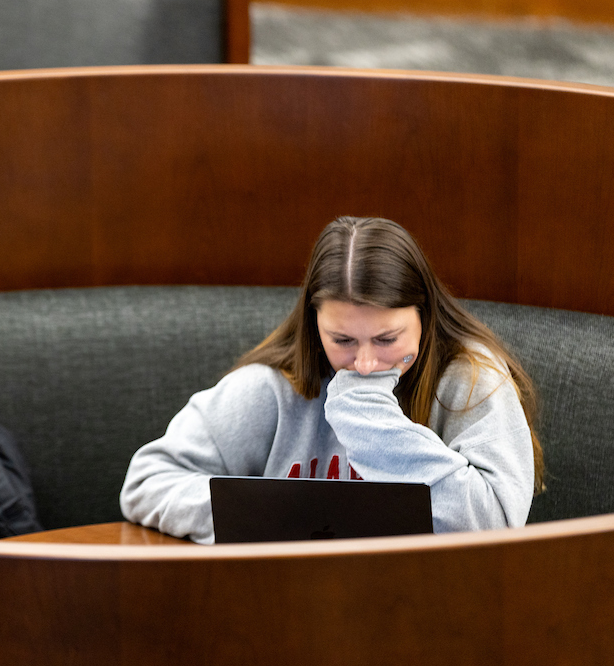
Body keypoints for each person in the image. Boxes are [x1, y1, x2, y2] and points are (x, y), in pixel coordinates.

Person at [120, 216, 544, 544]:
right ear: (314, 325)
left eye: (386, 338)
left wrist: (367, 413)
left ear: (425, 317)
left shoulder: (471, 381)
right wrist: (277, 520)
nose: (364, 363)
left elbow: (495, 521)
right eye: (342, 339)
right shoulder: (271, 388)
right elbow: (146, 482)